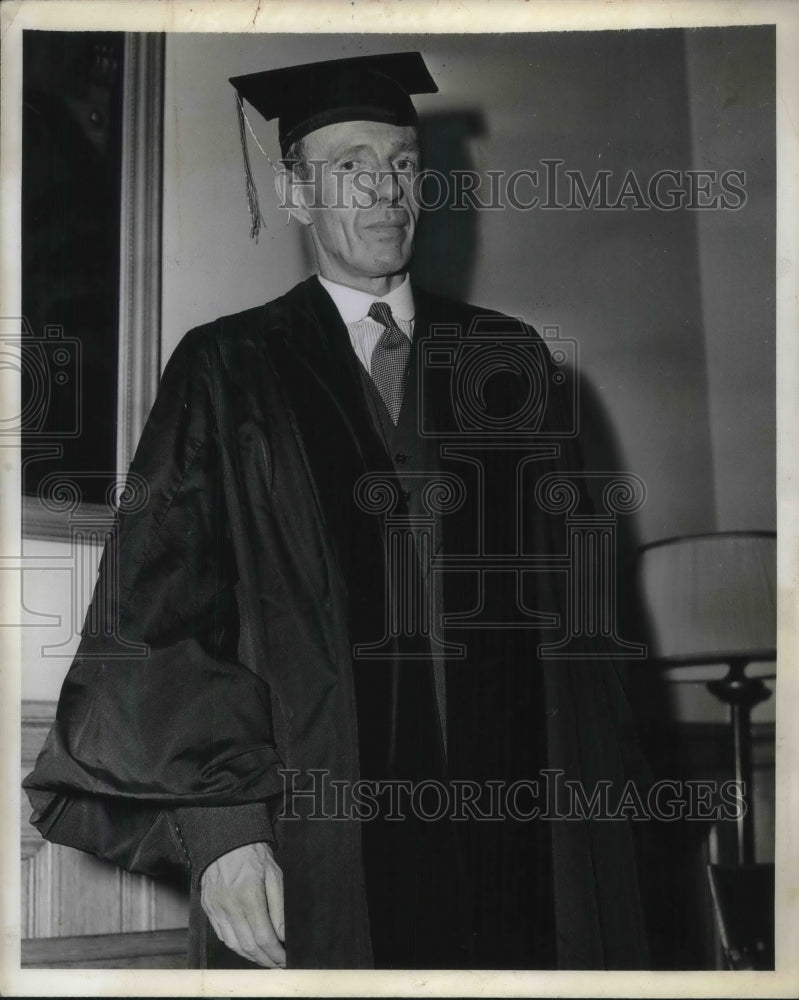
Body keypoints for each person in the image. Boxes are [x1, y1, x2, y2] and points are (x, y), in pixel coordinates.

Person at [24, 51, 651, 971]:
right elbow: (155, 616)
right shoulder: (227, 368)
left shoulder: (509, 362)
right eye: (349, 165)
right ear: (293, 192)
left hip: (515, 832)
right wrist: (225, 828)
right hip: (315, 839)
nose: (384, 189)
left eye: (400, 162)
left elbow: (581, 643)